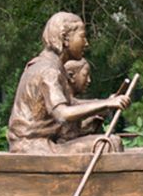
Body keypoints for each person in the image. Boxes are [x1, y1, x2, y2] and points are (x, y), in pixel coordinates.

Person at [7, 12, 130, 154]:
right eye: (82, 37)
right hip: (34, 148)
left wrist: (105, 103)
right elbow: (63, 113)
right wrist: (107, 104)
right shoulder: (49, 71)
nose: (86, 43)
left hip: (40, 144)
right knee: (109, 144)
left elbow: (71, 103)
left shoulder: (51, 66)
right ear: (65, 38)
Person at [61, 58, 104, 140]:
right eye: (85, 75)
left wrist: (86, 125)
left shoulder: (71, 101)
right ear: (71, 76)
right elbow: (73, 105)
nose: (89, 80)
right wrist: (106, 103)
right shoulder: (61, 101)